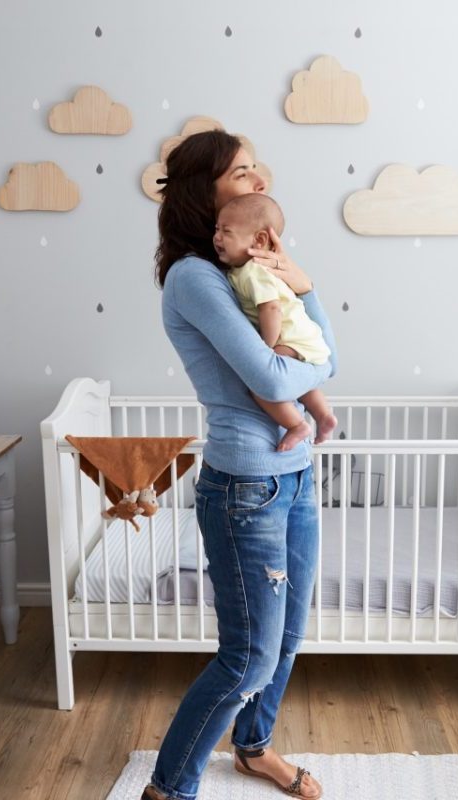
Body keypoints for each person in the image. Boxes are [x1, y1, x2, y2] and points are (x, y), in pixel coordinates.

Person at [142, 130, 336, 800]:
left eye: (257, 171)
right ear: (207, 190)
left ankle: (253, 749)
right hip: (247, 485)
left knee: (285, 639)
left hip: (297, 471)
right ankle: (169, 787)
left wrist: (303, 285)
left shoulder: (244, 270)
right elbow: (275, 377)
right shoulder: (196, 278)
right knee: (248, 653)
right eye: (242, 173)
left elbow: (329, 357)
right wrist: (302, 299)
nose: (259, 182)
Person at [214, 192, 337, 452]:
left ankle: (296, 425)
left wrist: (266, 347)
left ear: (259, 240)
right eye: (216, 229)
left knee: (259, 383)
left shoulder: (253, 270)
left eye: (226, 231)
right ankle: (324, 416)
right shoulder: (244, 271)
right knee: (302, 384)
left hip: (288, 337)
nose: (217, 238)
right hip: (304, 338)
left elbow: (271, 308)